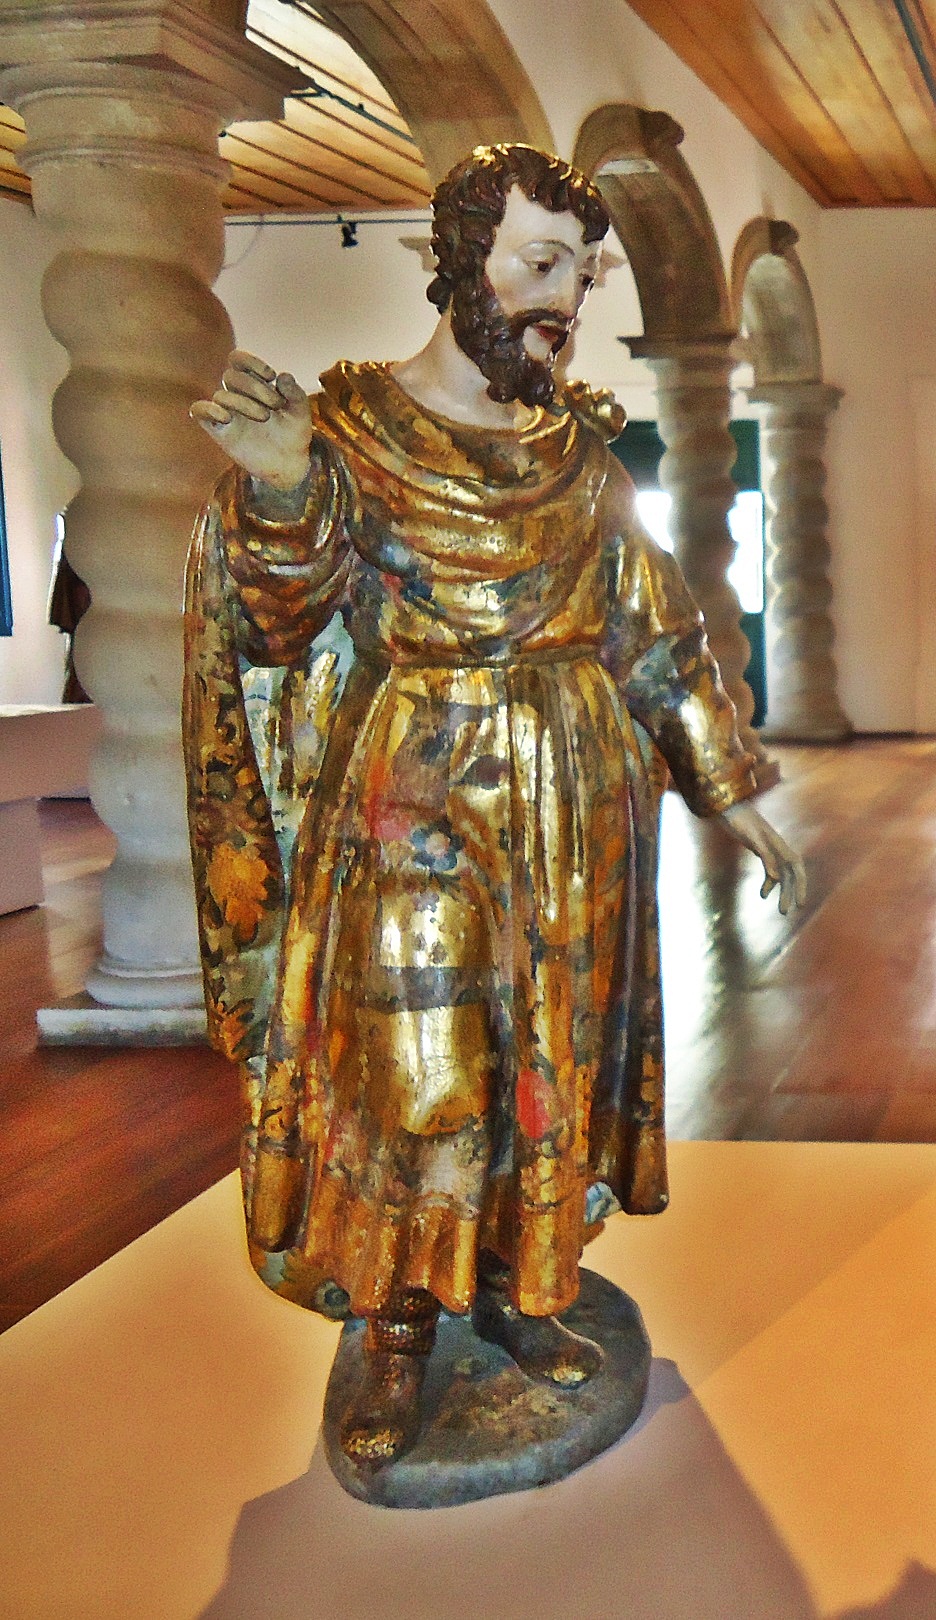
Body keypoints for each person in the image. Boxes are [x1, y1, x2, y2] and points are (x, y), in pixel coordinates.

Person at [184, 143, 805, 1468]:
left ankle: (521, 1287)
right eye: (539, 264)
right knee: (417, 1067)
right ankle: (399, 1322)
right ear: (459, 264)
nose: (563, 301)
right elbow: (277, 620)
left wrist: (733, 790)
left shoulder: (575, 457)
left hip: (574, 803)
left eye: (582, 275)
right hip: (414, 799)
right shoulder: (350, 433)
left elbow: (655, 634)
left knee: (547, 1051)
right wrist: (283, 485)